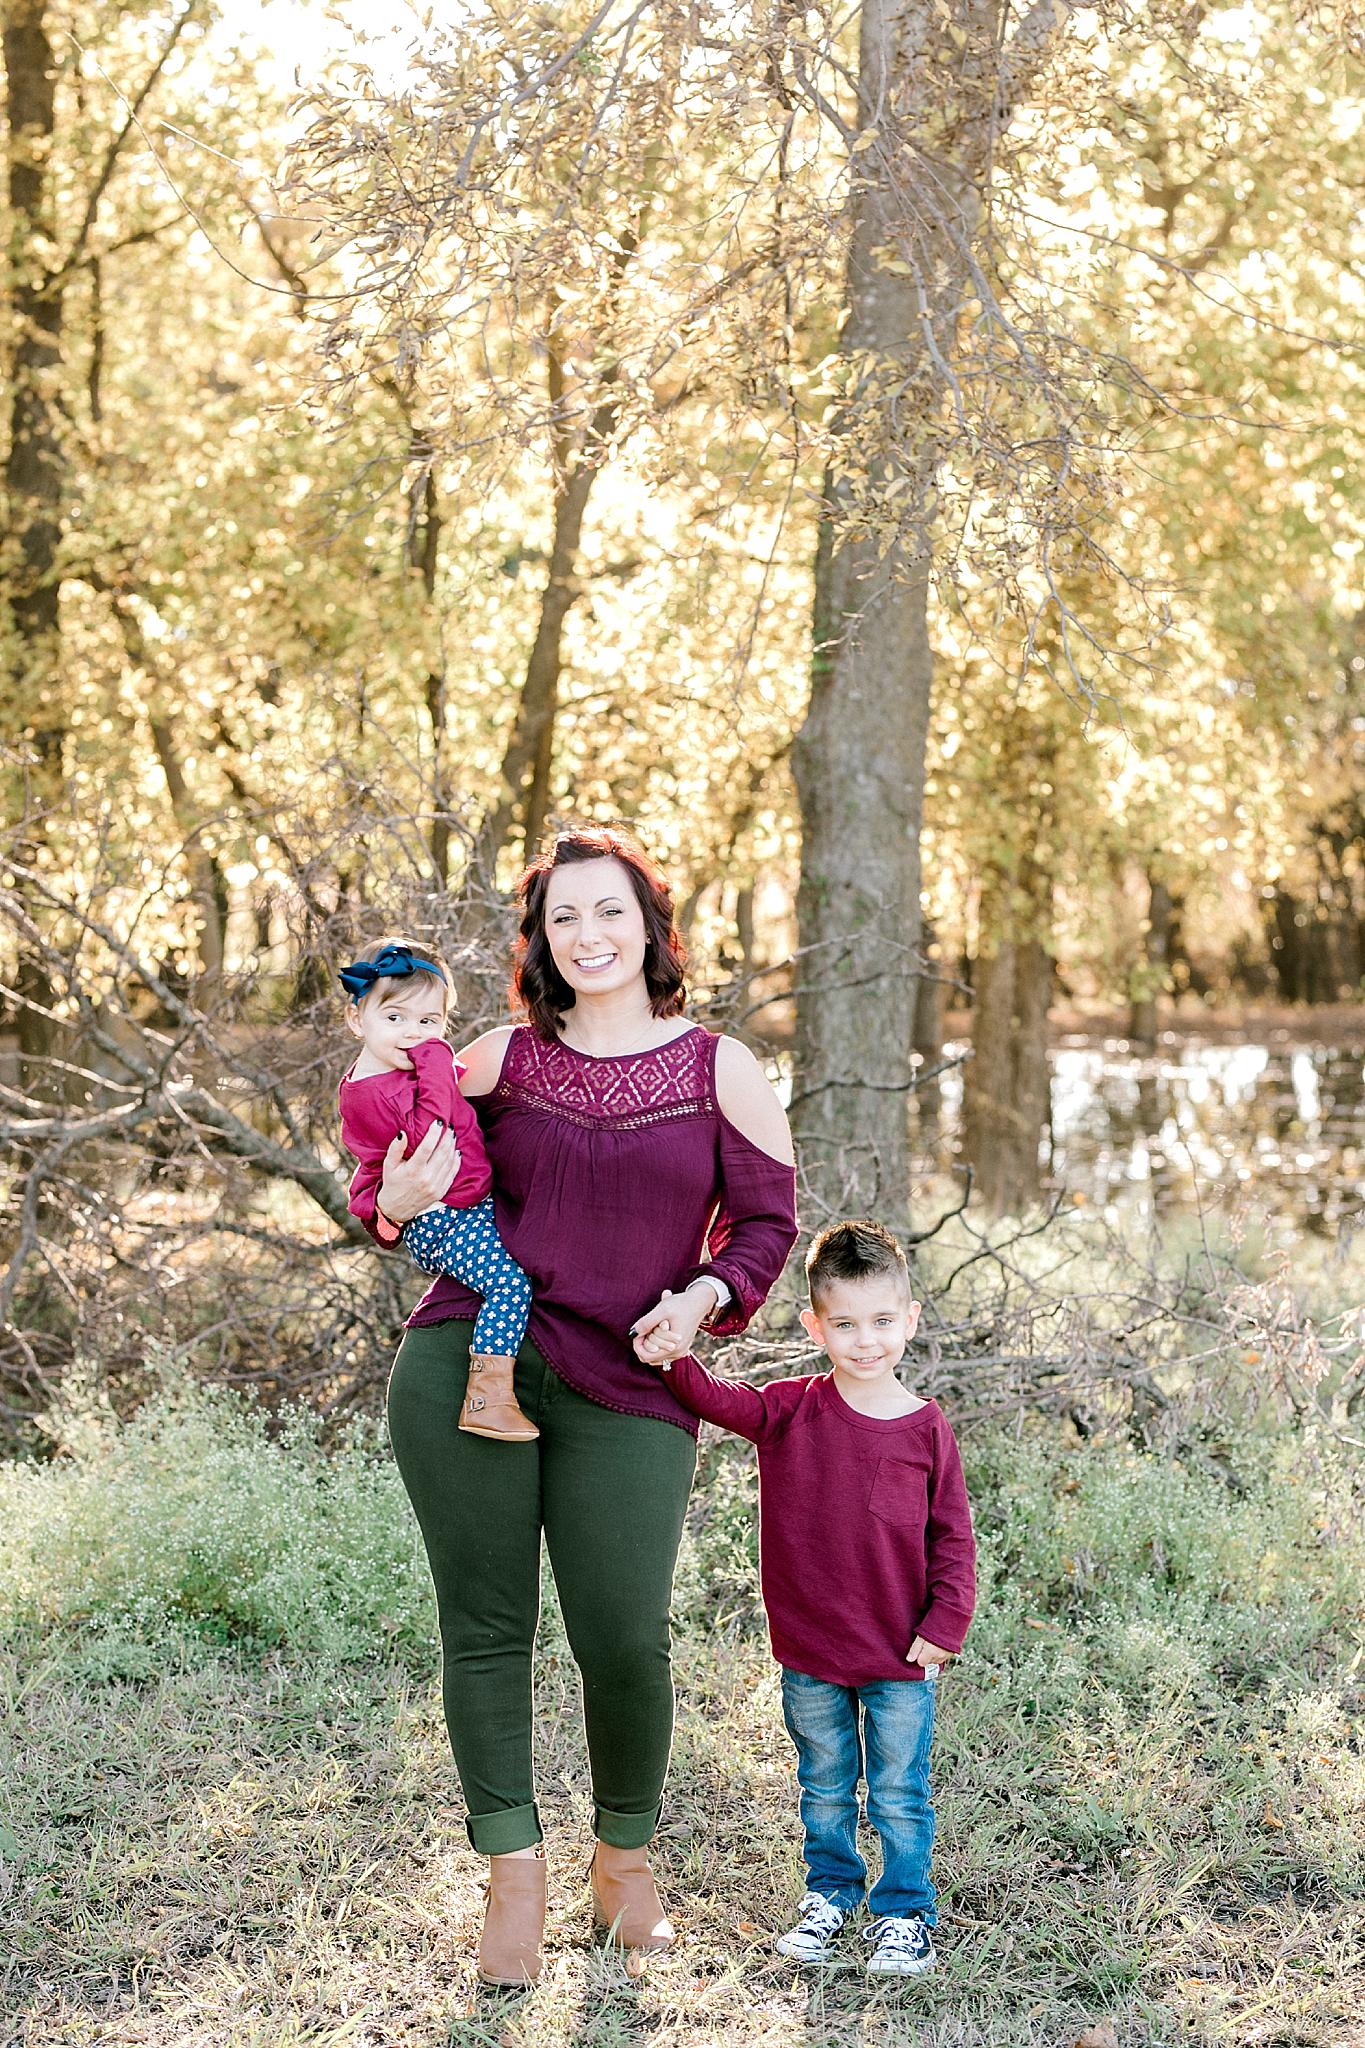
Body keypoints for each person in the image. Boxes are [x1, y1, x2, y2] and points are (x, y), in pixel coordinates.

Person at [365, 827, 798, 1987]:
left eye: (609, 911)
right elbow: (397, 1165)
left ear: (652, 924)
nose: (589, 935)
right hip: (469, 1359)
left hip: (630, 1382)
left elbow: (765, 1226)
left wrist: (706, 1294)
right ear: (541, 939)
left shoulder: (723, 1068)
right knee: (488, 1629)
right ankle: (512, 1877)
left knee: (624, 1636)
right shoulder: (496, 1057)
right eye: (564, 917)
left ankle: (625, 1866)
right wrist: (392, 1198)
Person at [653, 1218, 976, 1977]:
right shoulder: (792, 1409)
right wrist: (674, 1357)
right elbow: (718, 1399)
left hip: (900, 1654)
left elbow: (953, 1539)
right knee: (824, 1785)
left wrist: (945, 1623)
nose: (866, 1341)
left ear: (910, 1320)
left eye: (882, 1322)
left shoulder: (926, 1429)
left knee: (898, 1792)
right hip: (810, 1649)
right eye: (845, 1325)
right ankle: (829, 1894)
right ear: (814, 1325)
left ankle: (903, 1913)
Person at [337, 940, 538, 1442]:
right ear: (357, 1019)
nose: (414, 1034)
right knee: (509, 1284)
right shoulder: (371, 1092)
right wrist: (435, 1064)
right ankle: (487, 1398)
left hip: (462, 1205)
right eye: (396, 1018)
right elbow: (434, 1131)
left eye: (429, 1023)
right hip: (439, 1217)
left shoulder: (394, 1073)